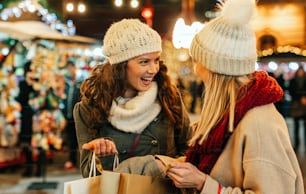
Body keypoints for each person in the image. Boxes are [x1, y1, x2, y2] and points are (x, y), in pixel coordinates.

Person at [114, 0, 305, 193]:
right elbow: (213, 165)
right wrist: (165, 165)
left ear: (216, 69)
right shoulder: (231, 112)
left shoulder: (259, 124)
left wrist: (204, 184)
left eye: (198, 61)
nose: (196, 70)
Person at [73, 18, 192, 177]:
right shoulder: (90, 107)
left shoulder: (168, 96)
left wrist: (163, 166)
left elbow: (188, 150)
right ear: (120, 66)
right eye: (144, 62)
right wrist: (100, 157)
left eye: (156, 60)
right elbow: (88, 174)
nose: (153, 69)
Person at [62, 61, 81, 170]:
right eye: (68, 68)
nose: (70, 70)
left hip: (77, 117)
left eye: (71, 68)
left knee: (78, 139)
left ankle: (78, 160)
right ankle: (72, 160)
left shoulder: (80, 83)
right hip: (67, 116)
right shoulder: (65, 84)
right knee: (70, 139)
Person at [288, 66, 306, 151]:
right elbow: (291, 91)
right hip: (296, 105)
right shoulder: (293, 80)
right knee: (296, 126)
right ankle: (296, 143)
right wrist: (300, 98)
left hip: (305, 105)